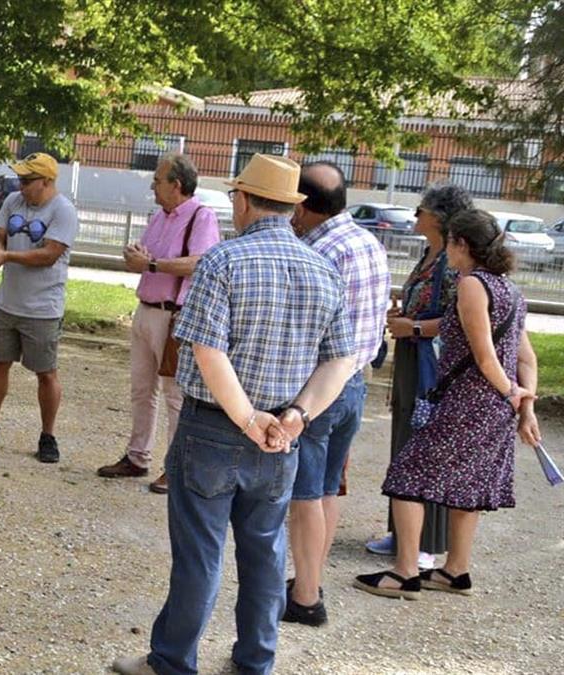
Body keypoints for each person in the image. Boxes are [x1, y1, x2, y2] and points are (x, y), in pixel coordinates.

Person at [112, 154, 356, 675]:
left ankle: (172, 661)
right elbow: (342, 358)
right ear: (291, 207)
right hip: (280, 435)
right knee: (265, 556)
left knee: (201, 553)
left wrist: (248, 418)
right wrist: (296, 416)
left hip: (214, 428)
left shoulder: (223, 261)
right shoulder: (325, 269)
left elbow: (207, 351)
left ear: (243, 201)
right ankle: (255, 662)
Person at [355, 208, 539, 600]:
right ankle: (456, 570)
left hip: (469, 402)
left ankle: (406, 572)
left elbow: (485, 355)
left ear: (462, 244)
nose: (446, 253)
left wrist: (511, 392)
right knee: (465, 487)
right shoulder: (511, 290)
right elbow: (526, 358)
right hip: (495, 407)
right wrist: (523, 403)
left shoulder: (472, 285)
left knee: (406, 477)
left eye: (451, 243)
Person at [280, 162, 389, 627]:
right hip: (355, 384)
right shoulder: (368, 241)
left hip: (319, 389)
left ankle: (305, 598)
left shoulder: (319, 250)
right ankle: (310, 578)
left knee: (304, 495)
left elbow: (305, 328)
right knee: (326, 488)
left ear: (303, 206)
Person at [96, 153, 220, 493]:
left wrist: (151, 265)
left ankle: (175, 466)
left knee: (173, 395)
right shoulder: (159, 216)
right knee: (141, 389)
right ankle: (137, 457)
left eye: (157, 180)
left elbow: (200, 263)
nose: (152, 186)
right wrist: (137, 257)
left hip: (173, 315)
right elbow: (150, 258)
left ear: (175, 185)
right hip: (146, 308)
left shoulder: (201, 217)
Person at [366, 183, 475, 567]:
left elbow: (458, 319)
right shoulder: (431, 253)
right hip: (414, 356)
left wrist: (412, 327)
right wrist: (403, 319)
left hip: (432, 360)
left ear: (439, 216)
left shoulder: (451, 259)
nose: (414, 216)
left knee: (424, 443)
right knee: (405, 438)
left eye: (420, 209)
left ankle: (425, 543)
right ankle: (403, 535)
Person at [0, 153, 79, 463]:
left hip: (42, 307)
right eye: (20, 180)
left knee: (46, 373)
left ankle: (48, 436)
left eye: (27, 181)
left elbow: (49, 254)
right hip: (6, 302)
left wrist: (8, 257)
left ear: (47, 181)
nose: (21, 186)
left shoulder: (63, 211)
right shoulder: (13, 201)